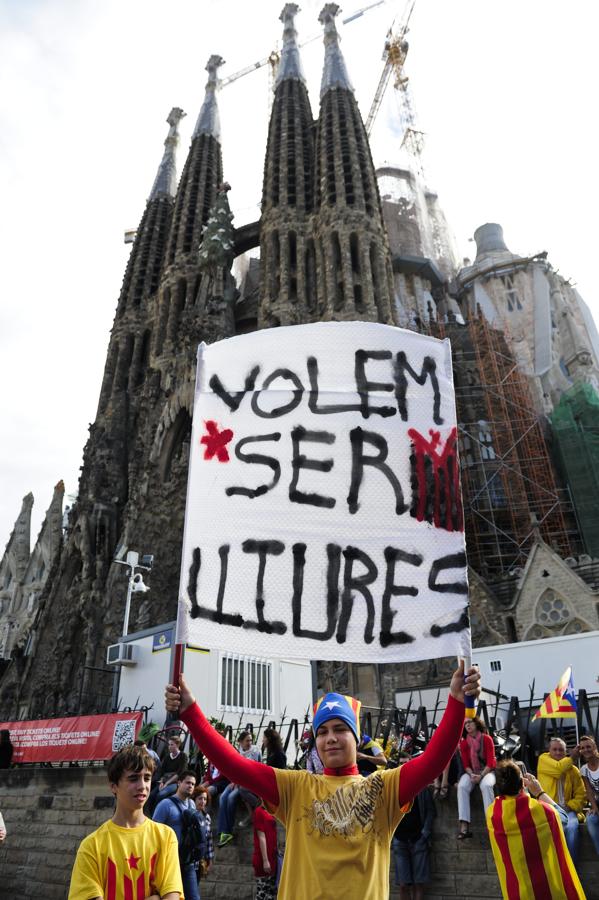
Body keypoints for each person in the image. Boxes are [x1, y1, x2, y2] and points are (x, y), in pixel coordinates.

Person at [165, 660, 481, 900]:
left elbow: (432, 762)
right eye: (322, 732)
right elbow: (233, 765)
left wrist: (455, 702)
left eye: (340, 729)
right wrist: (191, 711)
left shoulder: (384, 788)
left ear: (357, 739)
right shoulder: (296, 787)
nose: (330, 738)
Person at [67, 744, 183, 900]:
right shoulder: (91, 846)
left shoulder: (166, 837)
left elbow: (172, 897)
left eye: (147, 778)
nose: (143, 786)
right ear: (113, 786)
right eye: (133, 778)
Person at [486, 760, 585, 899]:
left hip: (518, 892)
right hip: (548, 889)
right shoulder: (541, 810)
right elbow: (563, 817)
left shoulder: (492, 813)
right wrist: (539, 792)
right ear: (522, 782)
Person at [153, 769, 202, 900]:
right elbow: (153, 833)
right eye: (187, 782)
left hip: (187, 861)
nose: (190, 786)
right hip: (169, 862)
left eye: (193, 784)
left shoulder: (192, 804)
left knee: (193, 897)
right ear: (179, 783)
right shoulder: (165, 805)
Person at [391, 756, 435, 900]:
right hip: (399, 840)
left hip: (418, 839)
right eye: (401, 763)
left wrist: (425, 834)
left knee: (419, 883)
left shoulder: (421, 786)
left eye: (406, 763)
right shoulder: (392, 788)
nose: (404, 766)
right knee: (403, 884)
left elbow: (430, 811)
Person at [537, 736, 586, 862]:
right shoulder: (543, 759)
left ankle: (571, 866)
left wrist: (570, 806)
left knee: (572, 829)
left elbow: (582, 795)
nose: (558, 752)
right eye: (555, 749)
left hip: (568, 810)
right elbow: (559, 769)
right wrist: (572, 757)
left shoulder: (574, 770)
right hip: (548, 810)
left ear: (566, 752)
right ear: (549, 751)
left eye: (561, 750)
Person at [216, 730, 262, 847]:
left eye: (251, 740)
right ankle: (222, 831)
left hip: (246, 783)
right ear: (240, 742)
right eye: (247, 740)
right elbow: (233, 769)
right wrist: (233, 781)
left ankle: (228, 830)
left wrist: (237, 782)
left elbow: (258, 769)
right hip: (235, 781)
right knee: (222, 798)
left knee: (231, 798)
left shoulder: (256, 752)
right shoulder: (237, 753)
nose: (249, 743)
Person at [457, 715, 496, 838]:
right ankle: (464, 826)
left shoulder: (487, 739)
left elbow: (491, 762)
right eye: (465, 724)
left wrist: (481, 775)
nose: (467, 725)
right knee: (462, 786)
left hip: (487, 771)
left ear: (476, 723)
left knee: (486, 786)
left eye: (470, 722)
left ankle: (491, 824)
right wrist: (471, 774)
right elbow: (465, 764)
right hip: (471, 772)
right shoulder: (464, 744)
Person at [147, 735, 189, 814]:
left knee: (161, 795)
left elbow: (180, 772)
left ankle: (157, 814)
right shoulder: (167, 757)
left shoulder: (183, 756)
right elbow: (162, 771)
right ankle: (151, 814)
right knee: (151, 795)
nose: (169, 747)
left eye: (172, 744)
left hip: (175, 782)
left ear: (177, 745)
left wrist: (166, 783)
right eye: (169, 744)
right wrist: (162, 782)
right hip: (165, 780)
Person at [252, 800, 279, 900]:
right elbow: (261, 837)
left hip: (272, 857)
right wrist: (265, 860)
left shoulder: (270, 811)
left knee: (271, 892)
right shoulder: (259, 811)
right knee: (262, 892)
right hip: (263, 858)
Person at [578, 734, 599, 857]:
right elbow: (589, 791)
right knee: (591, 820)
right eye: (583, 748)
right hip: (597, 802)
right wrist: (594, 807)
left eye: (588, 746)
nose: (586, 750)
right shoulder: (584, 769)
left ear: (594, 746)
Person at [193, 786, 214, 882]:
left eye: (205, 799)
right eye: (200, 798)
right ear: (194, 799)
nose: (203, 801)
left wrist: (210, 860)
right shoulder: (189, 814)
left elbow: (209, 840)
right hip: (189, 861)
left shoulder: (207, 817)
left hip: (201, 861)